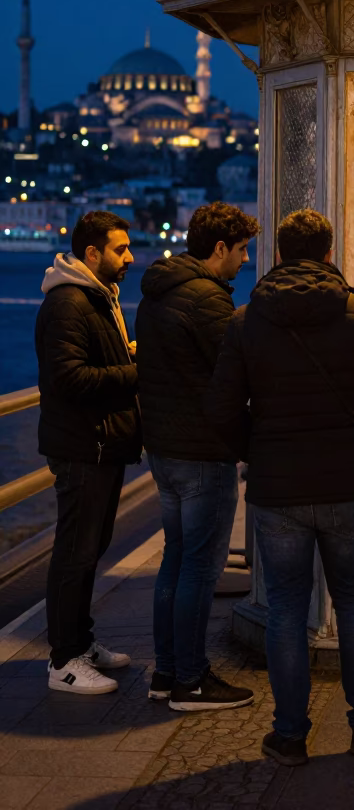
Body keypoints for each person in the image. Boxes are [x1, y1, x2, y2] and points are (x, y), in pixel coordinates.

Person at [205, 208, 354, 765]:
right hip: (347, 484)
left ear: (276, 255)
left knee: (286, 611)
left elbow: (221, 411)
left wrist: (258, 448)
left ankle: (290, 735)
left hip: (278, 490)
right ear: (327, 254)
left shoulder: (246, 321)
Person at [136, 202, 260, 712]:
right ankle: (191, 680)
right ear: (218, 249)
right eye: (241, 250)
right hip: (204, 453)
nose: (246, 260)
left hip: (164, 450)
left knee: (175, 562)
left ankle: (166, 672)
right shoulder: (208, 301)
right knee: (199, 571)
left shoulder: (156, 294)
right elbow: (235, 373)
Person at [36, 211, 141, 694]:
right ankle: (63, 661)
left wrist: (127, 357)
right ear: (91, 253)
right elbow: (70, 379)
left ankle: (80, 643)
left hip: (100, 443)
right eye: (120, 249)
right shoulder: (68, 304)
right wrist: (139, 371)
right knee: (75, 553)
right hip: (83, 445)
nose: (130, 257)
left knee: (90, 549)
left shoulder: (97, 299)